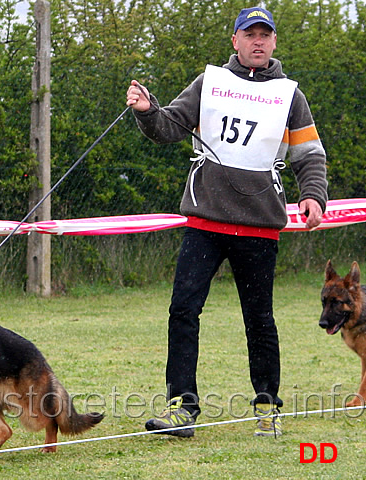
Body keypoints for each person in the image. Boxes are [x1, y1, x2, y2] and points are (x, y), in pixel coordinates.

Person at [126, 6, 328, 437]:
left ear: (273, 42)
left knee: (259, 320)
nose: (257, 41)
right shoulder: (210, 83)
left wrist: (313, 196)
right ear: (235, 41)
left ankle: (266, 408)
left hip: (259, 226)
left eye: (264, 35)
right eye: (249, 34)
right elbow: (169, 127)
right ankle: (182, 408)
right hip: (206, 223)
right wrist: (147, 110)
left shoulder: (290, 95)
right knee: (183, 310)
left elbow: (309, 156)